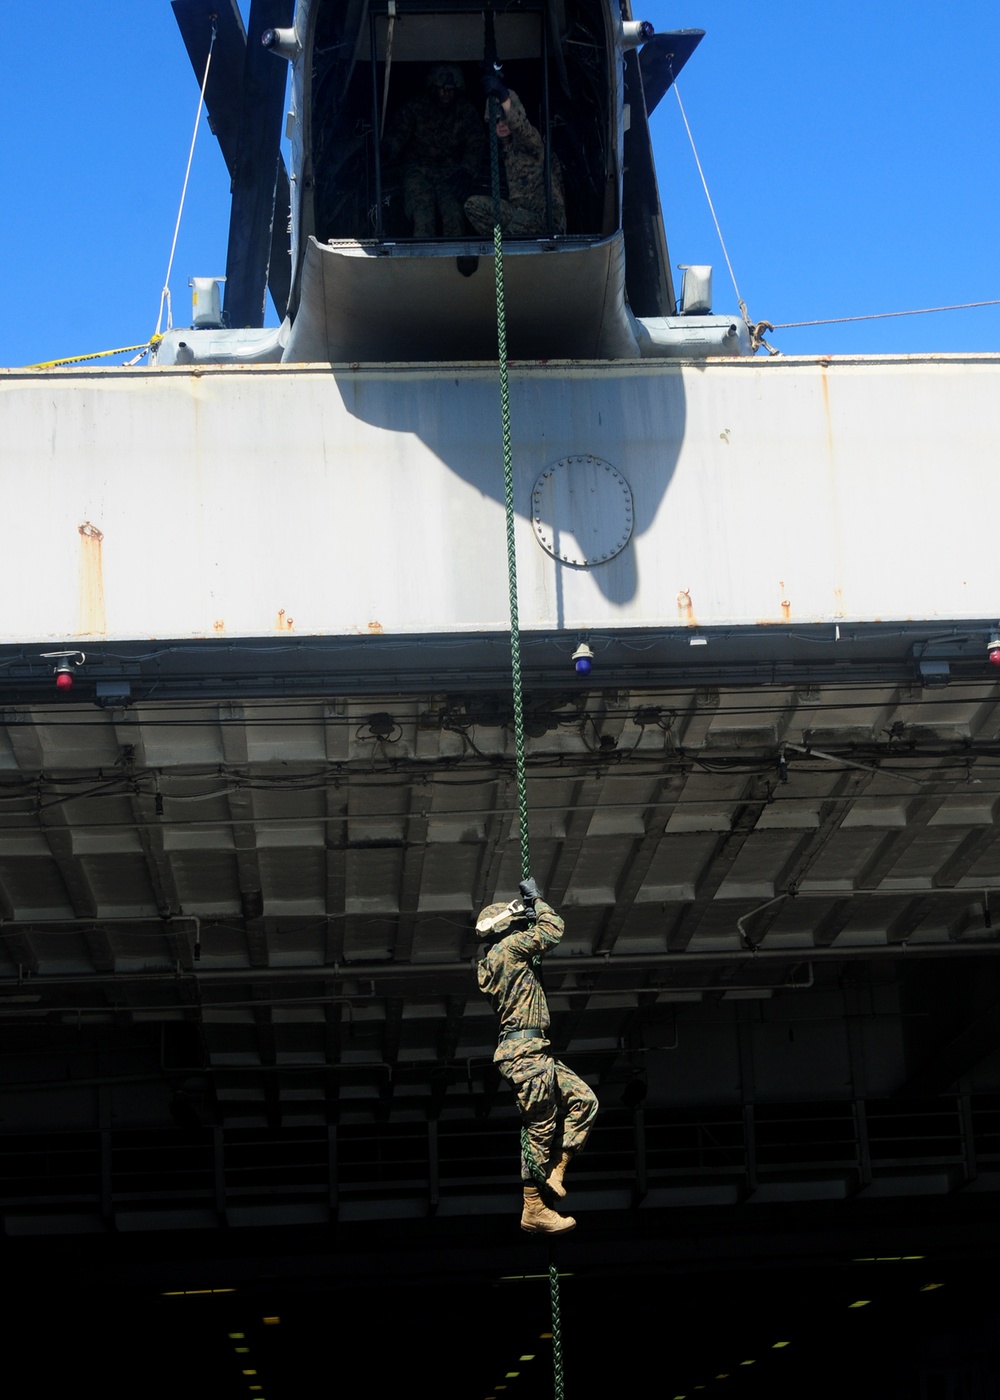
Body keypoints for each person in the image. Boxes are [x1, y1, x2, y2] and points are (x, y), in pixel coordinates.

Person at [476, 878, 598, 1234]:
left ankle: (557, 1168)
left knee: (583, 1101)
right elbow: (553, 930)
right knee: (540, 1126)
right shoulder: (510, 949)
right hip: (526, 1054)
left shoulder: (491, 961)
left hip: (532, 1051)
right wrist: (538, 902)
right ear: (506, 928)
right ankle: (533, 1206)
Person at [383, 64, 485, 238]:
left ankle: (457, 260)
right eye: (442, 89)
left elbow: (476, 144)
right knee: (422, 216)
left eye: (451, 90)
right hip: (418, 170)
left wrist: (467, 171)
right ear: (433, 88)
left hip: (451, 172)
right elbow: (398, 134)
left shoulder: (465, 111)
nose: (447, 94)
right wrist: (386, 150)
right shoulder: (416, 107)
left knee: (454, 216)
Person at [464, 76, 566, 238]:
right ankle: (501, 241)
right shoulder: (501, 151)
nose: (502, 125)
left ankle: (508, 241)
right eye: (497, 121)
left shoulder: (530, 144)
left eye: (505, 120)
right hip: (519, 215)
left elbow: (521, 126)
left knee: (516, 230)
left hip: (544, 219)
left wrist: (504, 97)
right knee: (473, 205)